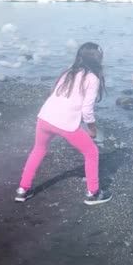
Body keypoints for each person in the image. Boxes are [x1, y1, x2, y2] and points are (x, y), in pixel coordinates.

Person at [15, 42, 112, 205]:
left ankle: (22, 190)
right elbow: (87, 110)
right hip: (66, 123)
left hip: (45, 117)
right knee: (91, 152)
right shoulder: (92, 78)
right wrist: (92, 129)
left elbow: (56, 94)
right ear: (97, 59)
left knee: (38, 149)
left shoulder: (68, 71)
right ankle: (94, 193)